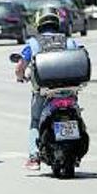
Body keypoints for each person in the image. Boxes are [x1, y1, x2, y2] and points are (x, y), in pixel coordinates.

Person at [15, 10, 79, 170]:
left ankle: (34, 157)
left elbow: (19, 68)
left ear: (39, 24)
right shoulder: (69, 41)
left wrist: (21, 76)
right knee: (76, 113)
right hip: (69, 91)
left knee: (35, 122)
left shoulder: (33, 43)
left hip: (44, 91)